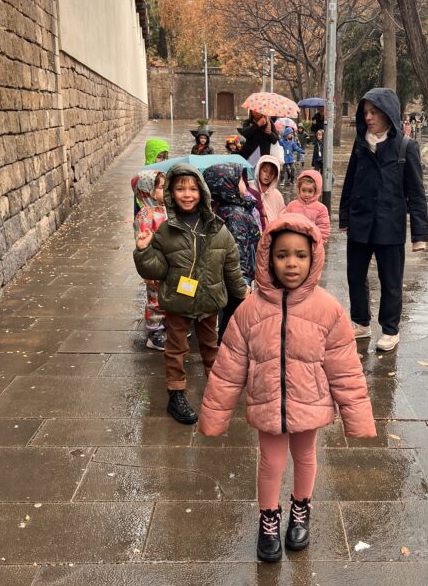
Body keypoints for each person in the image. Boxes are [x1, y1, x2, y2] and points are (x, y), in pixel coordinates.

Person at [198, 215, 376, 562]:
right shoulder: (250, 310)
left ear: (313, 258)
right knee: (271, 462)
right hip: (267, 403)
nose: (291, 263)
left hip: (309, 402)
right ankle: (268, 518)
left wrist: (357, 417)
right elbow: (228, 368)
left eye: (300, 255)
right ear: (268, 257)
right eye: (282, 255)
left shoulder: (327, 310)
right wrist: (214, 416)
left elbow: (345, 369)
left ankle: (300, 508)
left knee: (305, 456)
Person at [133, 164, 248, 425]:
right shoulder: (165, 231)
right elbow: (156, 269)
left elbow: (231, 265)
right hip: (178, 302)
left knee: (211, 347)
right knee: (176, 349)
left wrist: (241, 294)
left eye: (193, 189)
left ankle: (217, 390)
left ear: (202, 192)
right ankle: (176, 394)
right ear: (171, 193)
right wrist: (143, 251)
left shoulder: (218, 229)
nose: (187, 194)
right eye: (180, 189)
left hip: (209, 301)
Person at [339, 87, 428, 352]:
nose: (368, 117)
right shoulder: (360, 144)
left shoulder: (405, 146)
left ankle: (390, 330)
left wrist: (420, 235)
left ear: (388, 113)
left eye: (374, 112)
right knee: (355, 276)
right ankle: (361, 322)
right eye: (366, 112)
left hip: (390, 225)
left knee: (391, 281)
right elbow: (350, 182)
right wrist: (345, 217)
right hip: (360, 223)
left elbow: (416, 192)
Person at [203, 162, 261, 343]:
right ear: (227, 186)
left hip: (229, 279)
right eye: (240, 180)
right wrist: (243, 283)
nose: (245, 183)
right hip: (236, 282)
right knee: (234, 319)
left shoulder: (228, 209)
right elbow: (237, 252)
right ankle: (227, 348)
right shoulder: (235, 215)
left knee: (229, 316)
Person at [133, 171, 168, 351]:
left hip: (168, 264)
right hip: (154, 264)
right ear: (149, 191)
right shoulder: (145, 215)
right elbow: (142, 243)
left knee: (168, 296)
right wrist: (148, 270)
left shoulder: (166, 210)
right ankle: (155, 333)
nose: (166, 190)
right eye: (161, 187)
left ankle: (168, 326)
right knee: (155, 300)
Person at [284, 170, 330, 244]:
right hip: (292, 243)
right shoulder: (292, 206)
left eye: (310, 191)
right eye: (303, 190)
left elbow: (323, 229)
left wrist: (317, 243)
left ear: (316, 191)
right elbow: (284, 223)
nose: (306, 194)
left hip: (312, 245)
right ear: (299, 189)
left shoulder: (321, 209)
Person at [252, 155, 285, 226]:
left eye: (272, 173)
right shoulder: (250, 189)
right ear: (258, 170)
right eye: (265, 171)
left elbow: (282, 214)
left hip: (272, 229)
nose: (267, 175)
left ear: (276, 176)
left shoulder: (277, 195)